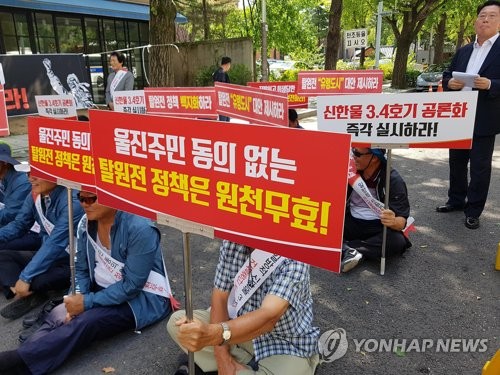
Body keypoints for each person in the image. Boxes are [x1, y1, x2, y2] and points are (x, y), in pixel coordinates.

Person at [0, 191, 173, 374]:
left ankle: (15, 362)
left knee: (86, 322)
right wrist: (77, 297)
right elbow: (81, 268)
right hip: (99, 288)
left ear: (112, 196)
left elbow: (132, 286)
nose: (84, 203)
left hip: (139, 299)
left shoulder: (140, 228)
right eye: (81, 198)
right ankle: (26, 356)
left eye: (91, 198)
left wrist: (86, 303)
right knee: (60, 314)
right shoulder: (85, 223)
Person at [167, 240, 320, 375]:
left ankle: (212, 363)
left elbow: (268, 317)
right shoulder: (233, 241)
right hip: (237, 327)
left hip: (283, 342)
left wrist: (212, 335)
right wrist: (223, 360)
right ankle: (242, 365)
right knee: (178, 323)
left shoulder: (295, 251)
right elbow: (219, 298)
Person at [437, 0, 500, 230]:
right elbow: (446, 74)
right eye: (482, 15)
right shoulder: (464, 50)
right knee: (457, 162)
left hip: (484, 116)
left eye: (492, 16)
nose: (485, 19)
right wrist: (449, 82)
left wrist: (491, 84)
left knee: (480, 167)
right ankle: (455, 200)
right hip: (458, 116)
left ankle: (473, 211)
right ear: (476, 21)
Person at [0, 169, 83, 320]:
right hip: (46, 253)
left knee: (37, 278)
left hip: (71, 259)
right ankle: (20, 290)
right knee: (3, 256)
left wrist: (26, 277)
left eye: (38, 173)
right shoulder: (35, 194)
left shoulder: (72, 200)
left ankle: (27, 288)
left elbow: (56, 242)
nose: (31, 179)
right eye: (29, 173)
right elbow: (19, 225)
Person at [341, 148, 411, 272]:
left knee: (397, 242)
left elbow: (402, 222)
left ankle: (348, 249)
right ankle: (359, 250)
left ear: (374, 157)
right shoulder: (349, 171)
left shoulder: (393, 179)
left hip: (378, 226)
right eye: (352, 152)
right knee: (323, 224)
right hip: (352, 221)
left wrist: (393, 221)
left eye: (357, 154)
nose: (353, 157)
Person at [0, 143, 41, 251]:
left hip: (33, 232)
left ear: (4, 162)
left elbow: (10, 214)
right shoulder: (5, 179)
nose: (31, 179)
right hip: (16, 226)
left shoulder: (23, 183)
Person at [213, 56, 232, 122]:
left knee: (225, 119)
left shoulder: (218, 72)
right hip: (223, 99)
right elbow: (222, 87)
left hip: (222, 99)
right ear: (227, 64)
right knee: (224, 120)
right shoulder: (221, 73)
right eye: (230, 65)